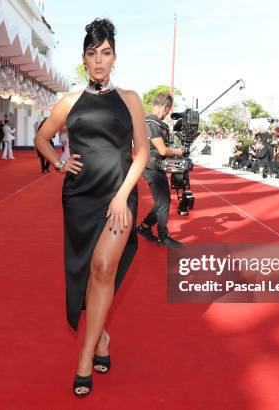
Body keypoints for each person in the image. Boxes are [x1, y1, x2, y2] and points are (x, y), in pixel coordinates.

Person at [33, 18, 149, 398]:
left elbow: (142, 153)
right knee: (84, 271)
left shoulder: (130, 98)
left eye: (106, 52)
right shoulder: (69, 101)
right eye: (92, 53)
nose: (99, 60)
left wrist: (122, 195)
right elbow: (41, 137)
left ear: (114, 57)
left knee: (103, 268)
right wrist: (59, 162)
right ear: (84, 58)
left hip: (119, 194)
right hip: (80, 195)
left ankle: (85, 358)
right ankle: (102, 338)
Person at [135, 92, 184, 248]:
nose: (167, 114)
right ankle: (163, 236)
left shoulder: (154, 122)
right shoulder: (151, 122)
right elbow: (162, 150)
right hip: (152, 166)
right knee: (163, 201)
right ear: (164, 106)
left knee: (162, 202)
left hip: (154, 166)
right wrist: (177, 152)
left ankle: (145, 227)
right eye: (167, 110)